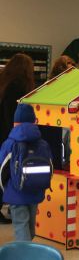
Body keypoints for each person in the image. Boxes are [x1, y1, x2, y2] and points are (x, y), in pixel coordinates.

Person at [0, 104, 47, 241]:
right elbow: (49, 167)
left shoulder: (9, 144)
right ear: (34, 121)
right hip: (35, 192)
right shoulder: (42, 144)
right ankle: (29, 251)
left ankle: (25, 253)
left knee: (21, 226)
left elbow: (2, 170)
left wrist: (5, 189)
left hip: (15, 193)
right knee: (30, 228)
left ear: (15, 123)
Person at [0, 53, 35, 224]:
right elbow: (12, 117)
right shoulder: (19, 87)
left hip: (3, 137)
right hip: (8, 137)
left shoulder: (3, 83)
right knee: (10, 173)